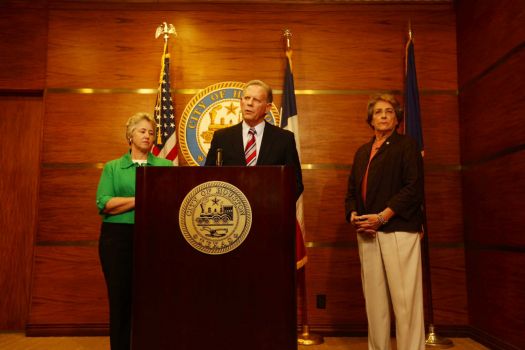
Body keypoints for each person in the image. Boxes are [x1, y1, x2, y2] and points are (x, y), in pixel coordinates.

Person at [344, 94, 425, 350]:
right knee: (375, 303)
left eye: (389, 111)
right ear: (370, 119)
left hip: (398, 230)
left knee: (405, 303)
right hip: (367, 233)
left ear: (397, 118)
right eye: (378, 112)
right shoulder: (362, 152)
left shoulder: (406, 146)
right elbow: (351, 192)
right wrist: (353, 214)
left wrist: (382, 217)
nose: (383, 116)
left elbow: (413, 188)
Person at [96, 112, 173, 350]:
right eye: (142, 131)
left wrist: (126, 201)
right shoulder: (113, 167)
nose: (148, 136)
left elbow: (169, 200)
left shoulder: (166, 165)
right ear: (130, 135)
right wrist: (143, 197)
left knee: (152, 300)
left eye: (151, 132)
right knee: (120, 299)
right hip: (117, 240)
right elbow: (104, 203)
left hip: (155, 238)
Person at [205, 79, 303, 198]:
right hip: (233, 212)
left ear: (268, 108)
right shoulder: (222, 137)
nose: (249, 103)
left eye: (256, 100)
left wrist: (275, 205)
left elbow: (295, 183)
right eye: (246, 98)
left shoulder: (284, 139)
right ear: (241, 103)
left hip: (269, 212)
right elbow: (208, 178)